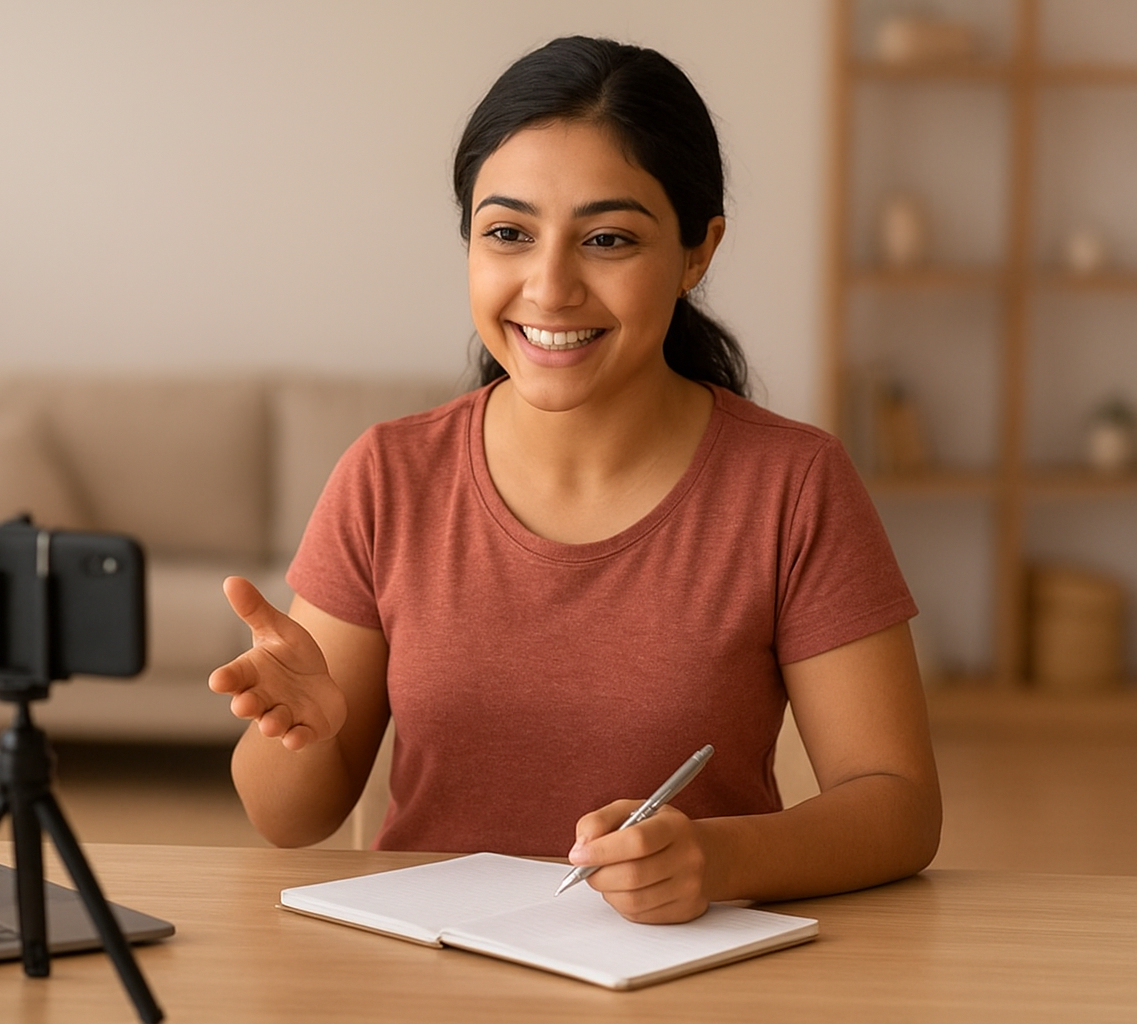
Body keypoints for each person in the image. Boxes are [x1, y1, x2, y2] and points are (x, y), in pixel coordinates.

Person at [209, 36, 941, 925]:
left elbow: (898, 803)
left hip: (682, 975)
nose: (549, 288)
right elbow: (287, 821)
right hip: (429, 974)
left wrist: (717, 857)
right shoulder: (389, 475)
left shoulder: (792, 485)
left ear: (696, 253)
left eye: (607, 239)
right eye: (508, 233)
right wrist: (301, 731)